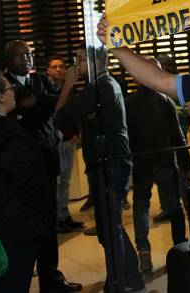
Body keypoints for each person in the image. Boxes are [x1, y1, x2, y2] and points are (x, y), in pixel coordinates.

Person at [58, 46, 144, 293]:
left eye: (81, 59)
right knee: (110, 226)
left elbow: (61, 118)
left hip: (109, 164)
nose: (76, 64)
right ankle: (129, 276)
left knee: (109, 227)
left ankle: (117, 281)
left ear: (97, 61)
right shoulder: (106, 85)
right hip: (110, 162)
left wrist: (67, 84)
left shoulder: (99, 87)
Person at [3, 40, 82, 293]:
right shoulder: (3, 87)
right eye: (19, 55)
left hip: (47, 162)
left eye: (29, 54)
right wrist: (52, 98)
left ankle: (52, 279)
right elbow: (38, 112)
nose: (26, 59)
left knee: (48, 226)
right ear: (8, 60)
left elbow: (54, 107)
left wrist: (45, 102)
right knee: (28, 227)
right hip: (21, 169)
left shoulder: (39, 81)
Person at [0, 72, 54, 292]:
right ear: (1, 97)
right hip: (17, 227)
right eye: (9, 88)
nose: (14, 91)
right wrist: (43, 212)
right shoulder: (4, 131)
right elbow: (26, 180)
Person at [124, 58, 188, 274]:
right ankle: (181, 248)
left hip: (141, 163)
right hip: (165, 162)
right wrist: (186, 164)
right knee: (174, 208)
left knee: (140, 207)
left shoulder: (128, 103)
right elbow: (177, 136)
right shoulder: (165, 100)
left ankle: (143, 251)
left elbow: (126, 137)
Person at [46, 56, 84, 233]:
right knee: (57, 181)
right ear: (48, 70)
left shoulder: (69, 91)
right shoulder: (47, 90)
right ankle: (57, 218)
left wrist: (76, 133)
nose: (59, 70)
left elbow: (74, 112)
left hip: (69, 140)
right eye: (55, 67)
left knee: (65, 182)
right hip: (53, 143)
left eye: (61, 66)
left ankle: (64, 215)